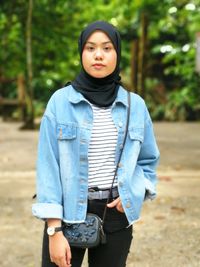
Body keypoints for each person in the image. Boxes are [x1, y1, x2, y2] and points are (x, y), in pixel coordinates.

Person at [32, 21, 160, 267]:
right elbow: (48, 168)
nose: (98, 55)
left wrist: (136, 191)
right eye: (90, 48)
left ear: (117, 53)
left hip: (116, 217)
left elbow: (148, 159)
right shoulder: (60, 102)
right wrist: (53, 230)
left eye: (107, 48)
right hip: (67, 216)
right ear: (81, 52)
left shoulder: (136, 106)